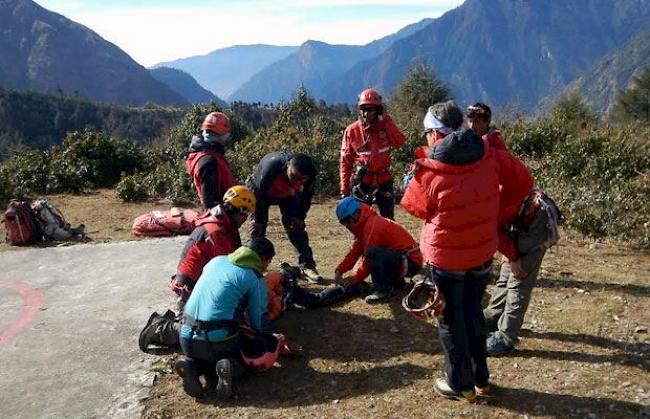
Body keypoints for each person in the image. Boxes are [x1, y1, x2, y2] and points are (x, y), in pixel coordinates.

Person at [401, 101, 531, 402]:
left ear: (436, 134)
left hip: (446, 259)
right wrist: (495, 211)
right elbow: (523, 182)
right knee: (473, 313)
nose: (425, 139)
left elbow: (414, 206)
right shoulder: (488, 154)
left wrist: (415, 173)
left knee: (449, 320)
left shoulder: (430, 170)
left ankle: (459, 385)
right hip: (482, 253)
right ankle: (481, 381)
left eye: (426, 133)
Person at [467, 103, 561, 356]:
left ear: (488, 121)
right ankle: (494, 315)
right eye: (471, 118)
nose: (474, 123)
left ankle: (506, 336)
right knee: (508, 271)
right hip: (518, 217)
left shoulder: (487, 164)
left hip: (534, 219)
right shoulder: (485, 153)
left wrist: (515, 256)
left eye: (481, 118)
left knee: (519, 275)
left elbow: (494, 227)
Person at [138, 185, 256, 351]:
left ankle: (175, 323)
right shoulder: (216, 231)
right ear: (238, 211)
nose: (245, 219)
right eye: (245, 214)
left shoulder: (222, 223)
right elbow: (225, 270)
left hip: (198, 280)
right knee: (205, 332)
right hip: (191, 286)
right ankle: (160, 330)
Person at [175, 238, 275, 399]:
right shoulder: (255, 279)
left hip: (185, 335)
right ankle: (232, 367)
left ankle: (190, 366)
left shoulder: (216, 261)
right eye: (268, 262)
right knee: (248, 358)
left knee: (205, 359)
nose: (266, 268)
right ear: (263, 259)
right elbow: (258, 322)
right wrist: (269, 341)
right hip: (217, 341)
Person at [247, 151, 323, 284]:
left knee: (296, 227)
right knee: (258, 230)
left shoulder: (309, 176)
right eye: (293, 176)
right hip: (260, 192)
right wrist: (258, 219)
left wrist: (300, 217)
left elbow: (306, 198)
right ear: (288, 165)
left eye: (301, 179)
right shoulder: (272, 166)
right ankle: (253, 269)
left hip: (288, 195)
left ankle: (307, 265)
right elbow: (258, 193)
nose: (295, 181)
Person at [334, 196, 423, 304]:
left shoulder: (371, 226)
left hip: (411, 261)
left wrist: (354, 279)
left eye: (347, 220)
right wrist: (339, 270)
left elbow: (368, 258)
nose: (346, 225)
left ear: (356, 213)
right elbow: (355, 251)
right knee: (376, 253)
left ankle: (383, 290)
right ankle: (396, 283)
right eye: (343, 222)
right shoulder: (365, 226)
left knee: (373, 253)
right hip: (405, 259)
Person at [340, 88, 406, 219]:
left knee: (388, 219)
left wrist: (386, 119)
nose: (366, 113)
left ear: (378, 110)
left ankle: (387, 239)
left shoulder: (386, 126)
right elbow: (345, 161)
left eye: (370, 110)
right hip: (362, 181)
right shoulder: (352, 131)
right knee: (360, 220)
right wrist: (344, 189)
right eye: (363, 109)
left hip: (383, 179)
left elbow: (400, 142)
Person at [186, 111, 237, 210]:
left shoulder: (203, 154)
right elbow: (209, 201)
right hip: (219, 216)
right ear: (221, 134)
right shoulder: (209, 161)